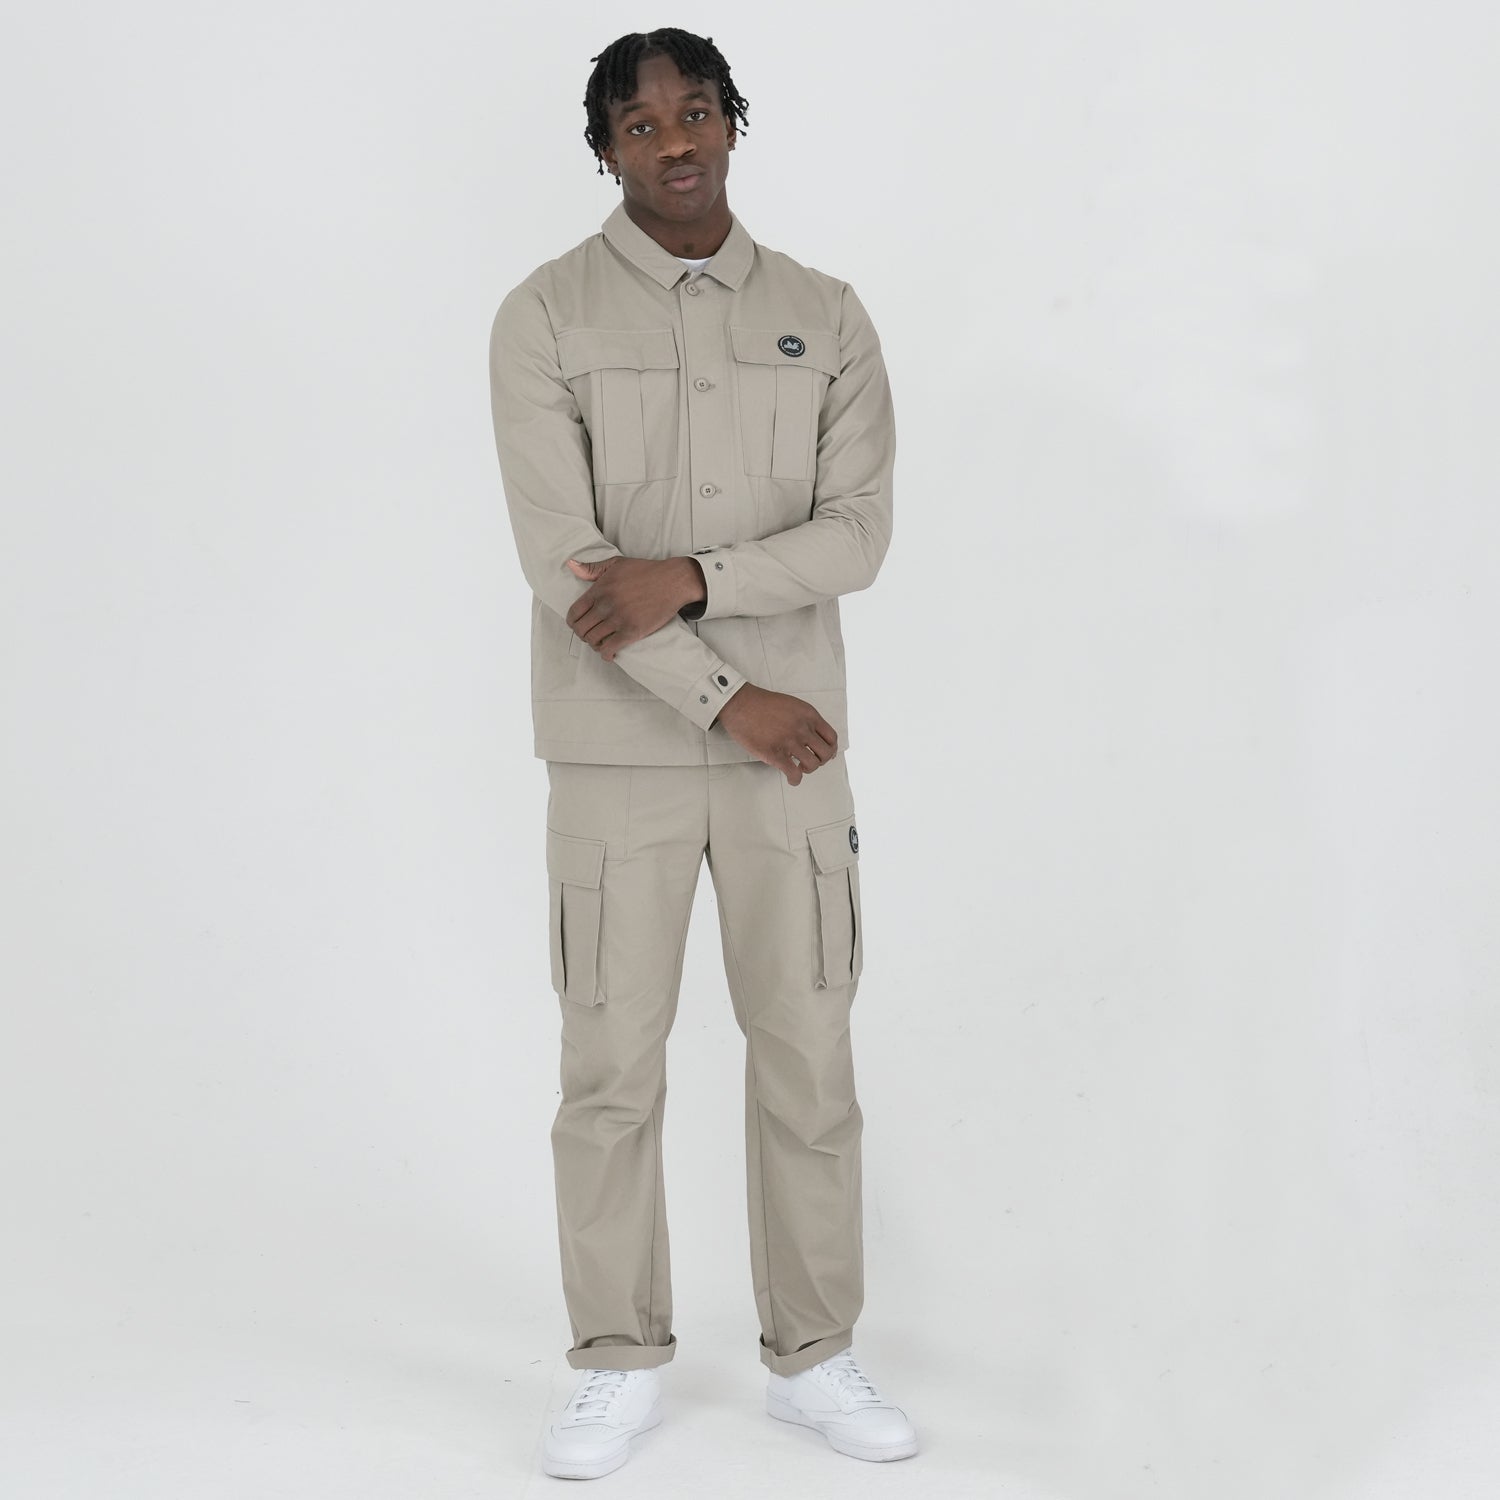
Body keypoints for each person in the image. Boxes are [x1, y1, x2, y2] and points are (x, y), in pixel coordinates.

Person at [486, 26, 914, 1479]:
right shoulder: (544, 316)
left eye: (696, 111)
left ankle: (817, 1356)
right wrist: (730, 696)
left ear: (734, 121)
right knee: (609, 1069)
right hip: (623, 756)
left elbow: (858, 535)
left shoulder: (825, 314)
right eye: (639, 123)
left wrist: (695, 578)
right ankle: (615, 1361)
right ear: (603, 150)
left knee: (809, 1057)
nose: (673, 141)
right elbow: (568, 562)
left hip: (798, 757)